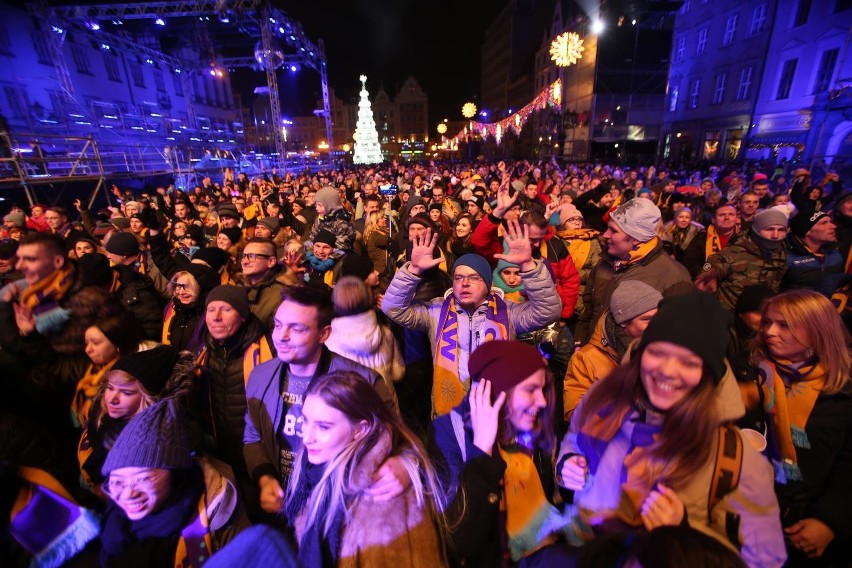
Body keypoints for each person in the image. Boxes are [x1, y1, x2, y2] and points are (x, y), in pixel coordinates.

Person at [558, 292, 786, 567]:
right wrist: (567, 463)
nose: (667, 371)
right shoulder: (605, 398)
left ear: (708, 374)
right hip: (589, 552)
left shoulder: (735, 460)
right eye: (658, 353)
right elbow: (575, 439)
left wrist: (683, 533)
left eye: (688, 362)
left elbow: (765, 560)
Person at [243, 285, 398, 519]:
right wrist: (265, 478)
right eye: (277, 325)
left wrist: (401, 466)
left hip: (340, 509)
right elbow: (253, 435)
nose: (281, 337)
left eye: (296, 329)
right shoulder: (260, 376)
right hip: (281, 506)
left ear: (323, 334)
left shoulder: (363, 382)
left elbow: (393, 439)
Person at [382, 224, 562, 416]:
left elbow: (548, 310)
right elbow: (393, 308)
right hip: (449, 413)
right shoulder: (436, 311)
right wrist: (414, 270)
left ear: (487, 284)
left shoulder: (507, 312)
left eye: (474, 277)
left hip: (496, 411)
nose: (465, 283)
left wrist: (528, 267)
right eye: (458, 278)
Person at [429, 340, 572, 566]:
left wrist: (571, 472)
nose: (542, 401)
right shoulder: (448, 434)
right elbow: (459, 540)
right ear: (499, 390)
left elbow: (555, 504)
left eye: (543, 390)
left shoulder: (532, 429)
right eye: (531, 389)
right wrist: (483, 450)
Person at [284, 371, 447, 567]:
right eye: (306, 421)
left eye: (323, 427)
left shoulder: (384, 498)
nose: (307, 437)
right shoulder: (312, 472)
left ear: (359, 430)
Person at [745, 290, 852, 566]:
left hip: (813, 518)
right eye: (767, 322)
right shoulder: (752, 375)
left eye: (785, 325)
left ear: (818, 330)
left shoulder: (843, 386)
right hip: (755, 514)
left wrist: (829, 520)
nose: (769, 331)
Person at [100, 399, 248, 567]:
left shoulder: (217, 508)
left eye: (142, 479)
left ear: (174, 473)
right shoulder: (115, 521)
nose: (128, 494)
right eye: (117, 482)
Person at [575, 197, 692, 345]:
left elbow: (676, 334)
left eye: (613, 231)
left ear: (636, 238)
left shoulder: (674, 276)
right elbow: (589, 309)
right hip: (593, 358)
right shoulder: (605, 262)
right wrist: (580, 341)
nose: (605, 235)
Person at [78, 345, 187, 494]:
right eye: (110, 388)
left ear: (148, 398)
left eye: (127, 393)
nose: (112, 399)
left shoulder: (153, 441)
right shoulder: (101, 418)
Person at [563, 280, 662, 421]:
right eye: (647, 320)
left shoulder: (666, 350)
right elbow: (575, 415)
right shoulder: (586, 359)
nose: (656, 325)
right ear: (624, 322)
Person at [325, 276, 403, 411]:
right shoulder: (385, 334)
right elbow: (398, 373)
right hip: (386, 413)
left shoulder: (327, 341)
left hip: (349, 416)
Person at [696, 207, 789, 311]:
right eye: (769, 229)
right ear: (756, 230)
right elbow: (703, 280)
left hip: (766, 318)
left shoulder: (783, 254)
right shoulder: (730, 254)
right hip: (732, 320)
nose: (775, 235)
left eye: (781, 230)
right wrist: (709, 278)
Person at [73, 314, 143, 428]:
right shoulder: (94, 369)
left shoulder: (128, 376)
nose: (87, 350)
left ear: (117, 344)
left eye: (95, 343)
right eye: (86, 343)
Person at [781, 210, 846, 296]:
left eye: (830, 222)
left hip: (828, 307)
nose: (833, 226)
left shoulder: (835, 253)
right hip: (795, 306)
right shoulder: (785, 255)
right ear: (807, 231)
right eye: (824, 223)